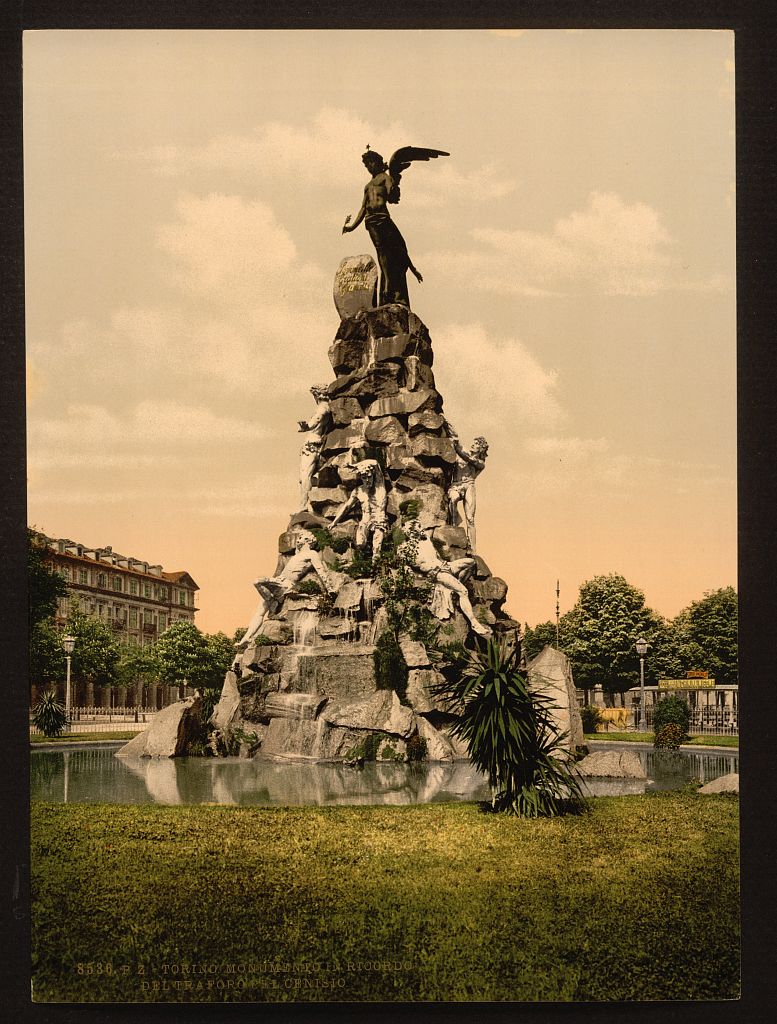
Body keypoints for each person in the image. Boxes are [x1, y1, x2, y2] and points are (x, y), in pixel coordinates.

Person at [342, 149, 423, 307]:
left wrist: (394, 186)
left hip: (383, 218)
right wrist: (351, 227)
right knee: (381, 251)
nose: (368, 167)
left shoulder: (385, 178)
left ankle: (393, 287)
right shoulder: (367, 186)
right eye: (366, 165)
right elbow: (363, 208)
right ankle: (387, 288)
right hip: (371, 221)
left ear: (377, 162)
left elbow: (392, 195)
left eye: (370, 163)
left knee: (398, 248)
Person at [235, 530, 335, 650]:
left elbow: (321, 571)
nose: (298, 540)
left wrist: (330, 589)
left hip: (285, 585)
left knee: (257, 581)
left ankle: (274, 602)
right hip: (279, 581)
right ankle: (246, 638)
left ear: (308, 540)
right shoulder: (296, 555)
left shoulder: (312, 554)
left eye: (301, 537)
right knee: (260, 612)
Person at [402, 523, 491, 637]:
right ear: (410, 531)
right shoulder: (408, 547)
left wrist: (443, 563)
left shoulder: (426, 541)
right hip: (437, 573)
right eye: (418, 526)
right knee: (464, 592)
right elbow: (418, 566)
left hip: (446, 566)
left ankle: (454, 587)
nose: (421, 528)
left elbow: (435, 553)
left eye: (420, 526)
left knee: (470, 562)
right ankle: (474, 623)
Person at [330, 458, 388, 559]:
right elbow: (347, 506)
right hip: (365, 520)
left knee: (377, 544)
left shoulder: (379, 486)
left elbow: (375, 462)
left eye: (369, 477)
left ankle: (376, 560)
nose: (367, 480)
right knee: (360, 543)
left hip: (379, 519)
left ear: (373, 475)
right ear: (361, 478)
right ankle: (364, 559)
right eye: (364, 478)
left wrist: (354, 465)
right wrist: (335, 522)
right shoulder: (358, 490)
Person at [447, 432, 489, 552]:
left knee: (470, 518)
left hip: (469, 485)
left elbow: (469, 459)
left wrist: (457, 446)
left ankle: (473, 548)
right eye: (474, 442)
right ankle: (454, 529)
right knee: (453, 499)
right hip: (456, 484)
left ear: (480, 449)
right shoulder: (463, 451)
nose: (473, 445)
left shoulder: (481, 464)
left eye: (476, 444)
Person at [297, 384, 330, 510]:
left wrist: (306, 426)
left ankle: (304, 505)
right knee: (305, 477)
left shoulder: (322, 408)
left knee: (305, 477)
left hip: (312, 444)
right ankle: (311, 500)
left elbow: (315, 421)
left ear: (317, 395)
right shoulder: (326, 408)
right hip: (316, 444)